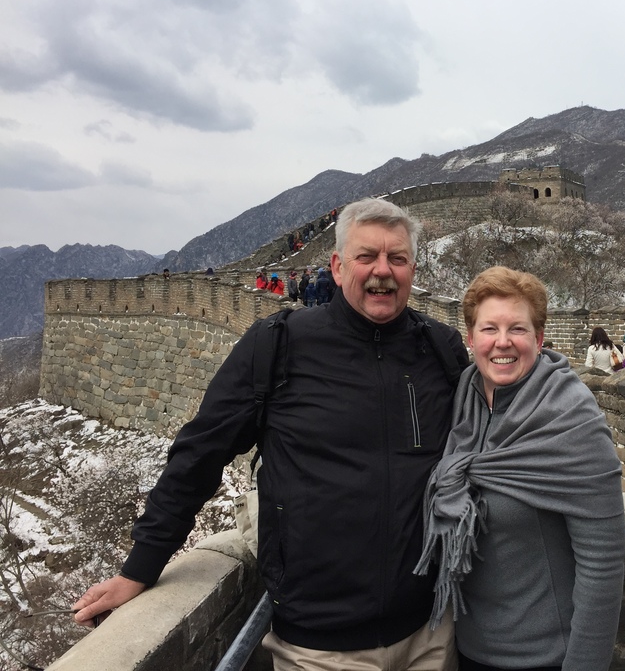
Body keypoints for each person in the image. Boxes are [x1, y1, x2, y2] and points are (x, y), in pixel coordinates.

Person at [73, 198, 470, 671]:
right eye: (367, 257)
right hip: (321, 645)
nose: (382, 271)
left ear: (412, 269)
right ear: (338, 267)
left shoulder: (440, 350)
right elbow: (200, 453)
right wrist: (141, 566)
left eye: (397, 258)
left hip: (431, 632)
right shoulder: (279, 345)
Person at [416, 266, 625, 671]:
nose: (502, 342)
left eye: (517, 329)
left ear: (539, 339)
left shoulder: (570, 418)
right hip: (469, 649)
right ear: (471, 339)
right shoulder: (466, 397)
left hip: (545, 657)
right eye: (489, 329)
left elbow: (603, 563)